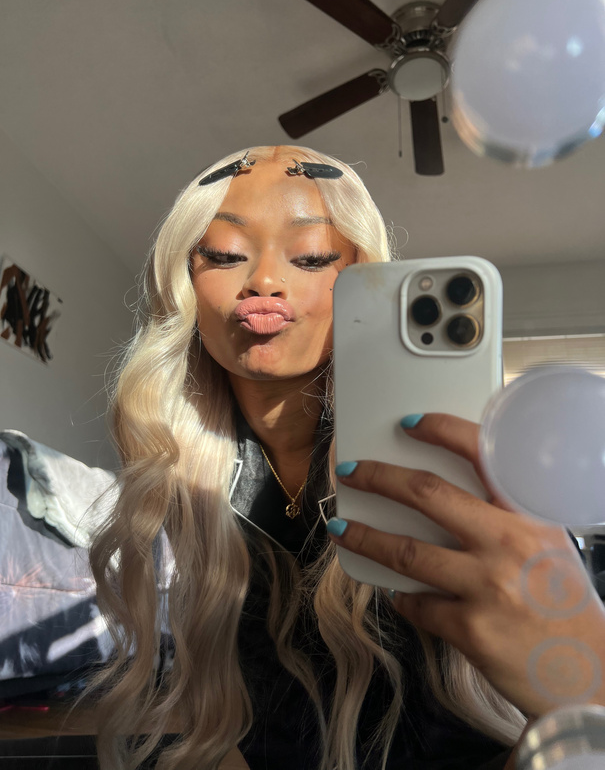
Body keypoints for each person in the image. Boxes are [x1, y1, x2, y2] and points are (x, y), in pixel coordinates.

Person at [85, 145, 605, 770]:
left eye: (310, 257)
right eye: (224, 254)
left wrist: (586, 675)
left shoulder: (468, 466)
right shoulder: (185, 476)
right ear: (185, 281)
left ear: (363, 280)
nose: (264, 281)